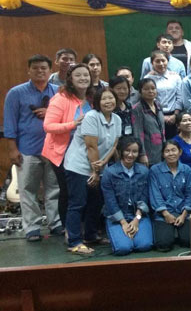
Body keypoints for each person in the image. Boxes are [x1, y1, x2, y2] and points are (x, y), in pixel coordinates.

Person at [4, 54, 61, 241]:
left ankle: (55, 223)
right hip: (27, 149)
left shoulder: (58, 92)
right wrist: (12, 149)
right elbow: (10, 123)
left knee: (54, 189)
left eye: (44, 68)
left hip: (53, 149)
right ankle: (32, 228)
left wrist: (50, 112)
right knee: (28, 190)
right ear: (29, 70)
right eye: (35, 68)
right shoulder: (16, 93)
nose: (40, 71)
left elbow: (66, 118)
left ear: (50, 71)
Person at [64, 87, 121, 255]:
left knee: (96, 203)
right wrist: (95, 172)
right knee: (78, 203)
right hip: (79, 167)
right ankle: (74, 241)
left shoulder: (116, 118)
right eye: (104, 99)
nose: (108, 102)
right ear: (97, 102)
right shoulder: (91, 117)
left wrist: (103, 163)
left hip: (99, 166)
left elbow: (115, 144)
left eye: (111, 98)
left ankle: (90, 235)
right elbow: (91, 146)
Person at [43, 63, 94, 229]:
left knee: (88, 190)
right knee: (69, 191)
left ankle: (86, 229)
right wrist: (72, 124)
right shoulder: (60, 98)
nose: (83, 78)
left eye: (86, 75)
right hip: (62, 153)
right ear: (70, 79)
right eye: (78, 75)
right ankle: (68, 229)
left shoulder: (93, 97)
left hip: (86, 152)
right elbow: (48, 126)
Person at [101, 136, 152, 256]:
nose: (130, 155)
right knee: (123, 248)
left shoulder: (144, 171)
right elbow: (110, 201)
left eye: (134, 151)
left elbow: (145, 197)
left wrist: (136, 219)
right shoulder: (110, 173)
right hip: (117, 216)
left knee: (144, 246)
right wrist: (123, 223)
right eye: (127, 150)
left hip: (138, 215)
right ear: (120, 151)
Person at [147, 139, 191, 252]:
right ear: (163, 154)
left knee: (189, 242)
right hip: (163, 213)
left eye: (174, 150)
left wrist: (184, 215)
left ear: (180, 152)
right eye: (167, 151)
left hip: (183, 212)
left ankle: (178, 232)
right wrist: (166, 214)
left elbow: (190, 194)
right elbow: (155, 195)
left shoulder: (186, 170)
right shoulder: (155, 170)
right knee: (164, 245)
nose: (171, 153)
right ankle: (170, 232)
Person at [144, 50, 183, 139]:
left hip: (174, 117)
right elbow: (148, 100)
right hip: (155, 115)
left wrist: (175, 115)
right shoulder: (147, 79)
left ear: (167, 61)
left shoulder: (175, 77)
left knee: (173, 144)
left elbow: (180, 97)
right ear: (152, 63)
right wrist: (161, 116)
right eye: (157, 61)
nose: (161, 64)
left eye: (163, 60)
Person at [131, 78, 165, 166]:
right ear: (140, 91)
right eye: (146, 89)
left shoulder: (158, 105)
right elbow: (138, 133)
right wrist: (142, 154)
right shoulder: (137, 109)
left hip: (161, 150)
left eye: (153, 88)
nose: (150, 91)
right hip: (148, 152)